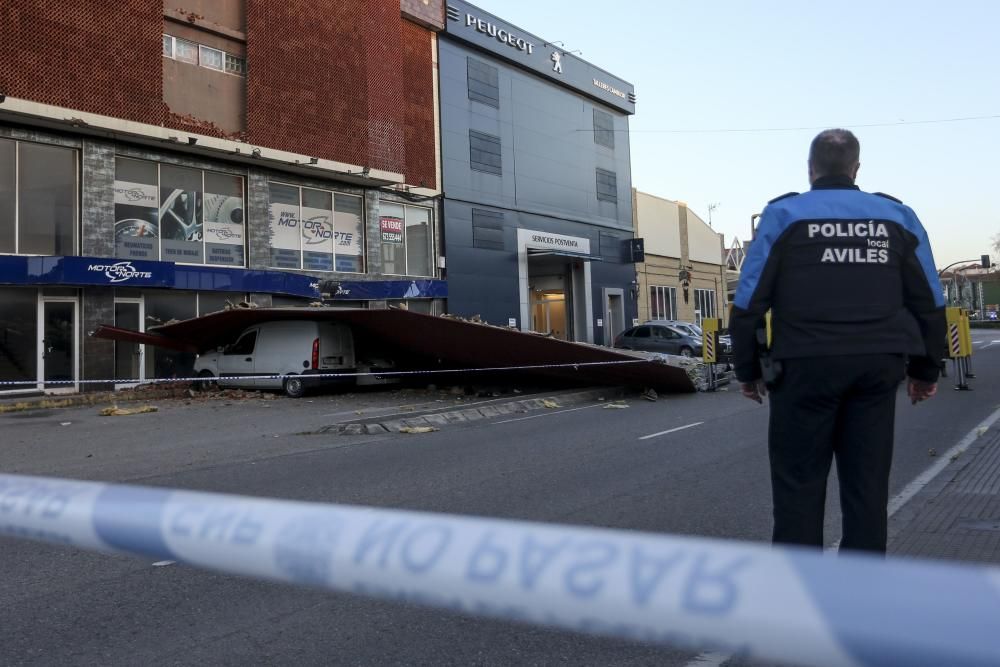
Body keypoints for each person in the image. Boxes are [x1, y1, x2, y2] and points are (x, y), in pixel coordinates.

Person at [731, 128, 945, 554]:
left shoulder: (782, 215)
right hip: (876, 369)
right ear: (856, 169)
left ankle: (799, 594)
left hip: (803, 370)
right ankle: (859, 597)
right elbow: (930, 302)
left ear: (810, 170)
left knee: (797, 488)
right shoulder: (897, 217)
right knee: (867, 489)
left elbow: (749, 301)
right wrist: (925, 371)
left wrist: (748, 371)